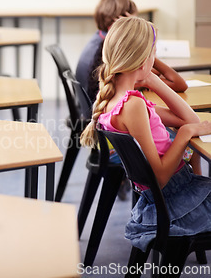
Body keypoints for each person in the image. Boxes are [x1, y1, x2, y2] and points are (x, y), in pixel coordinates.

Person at [80, 16, 211, 253]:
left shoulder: (119, 100)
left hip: (168, 198)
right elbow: (160, 177)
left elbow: (190, 119)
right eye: (154, 52)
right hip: (175, 201)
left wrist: (152, 79)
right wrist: (185, 134)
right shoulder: (132, 106)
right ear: (143, 59)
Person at [76, 0, 187, 103]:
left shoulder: (101, 41)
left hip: (95, 109)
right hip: (102, 113)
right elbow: (178, 83)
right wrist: (144, 48)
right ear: (121, 22)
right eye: (133, 21)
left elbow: (152, 71)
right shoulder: (111, 53)